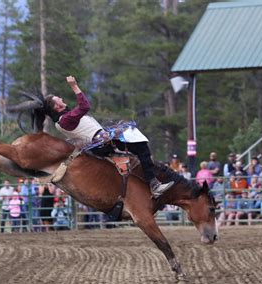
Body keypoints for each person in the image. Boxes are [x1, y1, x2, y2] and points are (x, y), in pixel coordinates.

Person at [38, 75, 174, 198]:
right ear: (56, 107)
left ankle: (147, 184)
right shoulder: (66, 119)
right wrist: (74, 86)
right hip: (102, 143)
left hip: (100, 142)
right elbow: (85, 106)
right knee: (142, 147)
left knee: (135, 151)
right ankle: (154, 185)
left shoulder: (63, 120)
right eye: (58, 99)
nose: (61, 98)